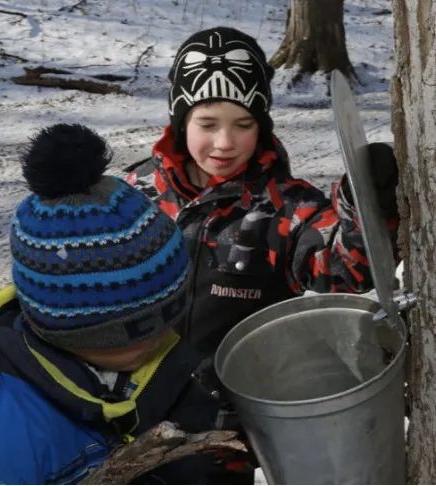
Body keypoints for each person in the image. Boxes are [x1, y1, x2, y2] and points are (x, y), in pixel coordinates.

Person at [0, 124, 234, 485]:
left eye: (168, 317)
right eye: (135, 331)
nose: (160, 337)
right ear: (67, 327)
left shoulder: (149, 374)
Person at [126, 26, 399, 359]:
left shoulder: (286, 207)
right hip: (138, 402)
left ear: (261, 125)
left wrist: (364, 204)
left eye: (243, 124)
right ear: (182, 123)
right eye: (208, 124)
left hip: (238, 402)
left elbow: (346, 271)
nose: (225, 143)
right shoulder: (134, 195)